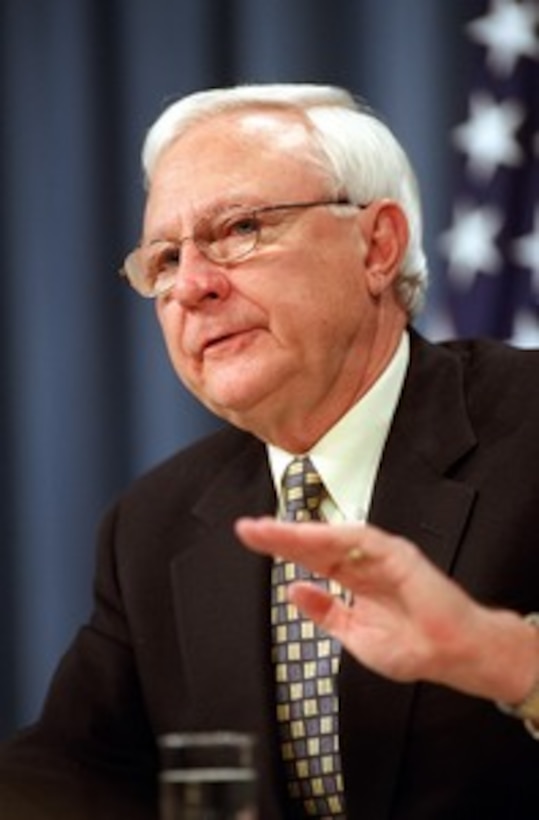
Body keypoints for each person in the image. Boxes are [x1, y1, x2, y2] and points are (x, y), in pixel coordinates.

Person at [1, 82, 539, 820]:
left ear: (376, 246)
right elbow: (70, 770)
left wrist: (506, 659)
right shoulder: (152, 525)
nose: (190, 285)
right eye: (162, 260)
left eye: (241, 227)